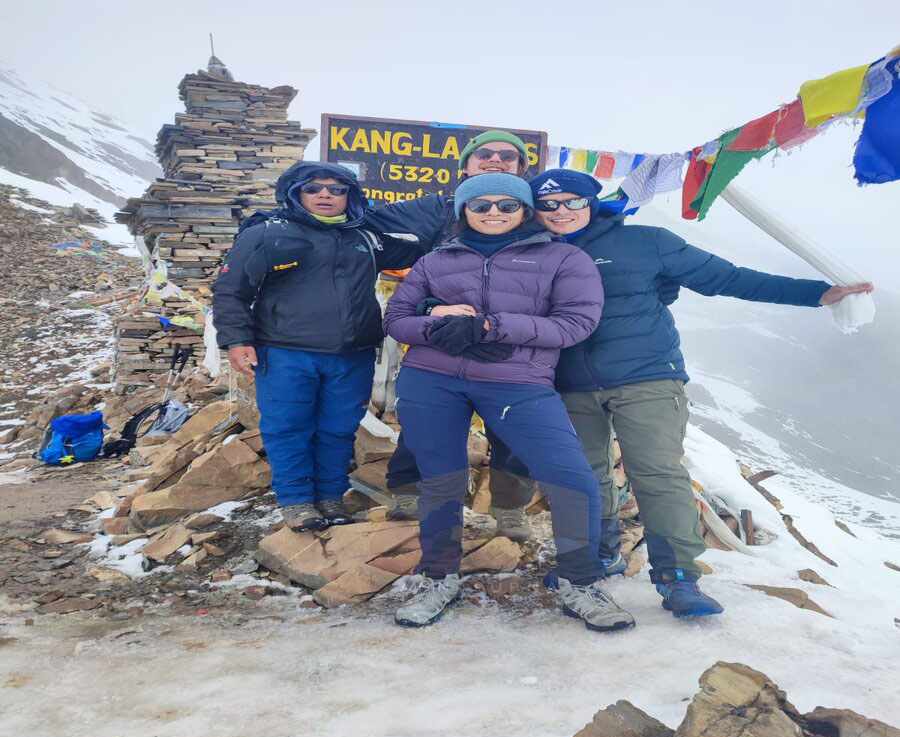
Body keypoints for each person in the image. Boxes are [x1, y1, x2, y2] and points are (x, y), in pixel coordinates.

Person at [527, 167, 875, 618]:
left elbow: (727, 278)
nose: (561, 212)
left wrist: (818, 294)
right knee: (583, 478)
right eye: (548, 204)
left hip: (646, 377)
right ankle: (599, 555)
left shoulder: (645, 242)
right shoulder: (529, 253)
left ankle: (678, 578)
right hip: (568, 382)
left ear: (592, 202)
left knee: (657, 474)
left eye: (572, 201)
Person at [383, 172, 635, 631]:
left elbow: (574, 324)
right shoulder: (435, 260)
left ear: (524, 210)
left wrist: (492, 327)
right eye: (480, 206)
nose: (493, 212)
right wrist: (435, 323)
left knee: (570, 476)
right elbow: (396, 318)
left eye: (506, 204)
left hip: (518, 381)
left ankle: (579, 581)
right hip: (432, 379)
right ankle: (439, 575)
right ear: (464, 212)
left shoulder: (564, 258)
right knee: (440, 479)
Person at [212, 161, 420, 532]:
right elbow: (231, 291)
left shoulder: (364, 236)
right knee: (289, 427)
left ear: (350, 196)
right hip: (285, 351)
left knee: (339, 428)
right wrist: (236, 339)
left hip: (351, 354)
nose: (325, 195)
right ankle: (296, 502)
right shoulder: (267, 233)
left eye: (337, 189)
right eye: (314, 188)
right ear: (296, 193)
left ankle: (330, 496)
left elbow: (417, 252)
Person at [367, 129, 540, 539]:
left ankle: (510, 508)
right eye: (485, 154)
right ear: (465, 165)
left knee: (513, 428)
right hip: (442, 338)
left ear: (521, 169)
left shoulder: (536, 215)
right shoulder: (436, 211)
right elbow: (368, 217)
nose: (496, 160)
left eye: (508, 156)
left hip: (510, 345)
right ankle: (407, 493)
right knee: (426, 420)